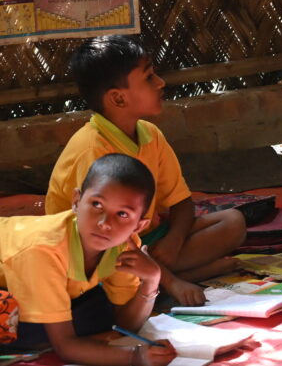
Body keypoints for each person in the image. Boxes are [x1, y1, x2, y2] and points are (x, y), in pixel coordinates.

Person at [45, 36, 246, 306]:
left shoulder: (150, 134)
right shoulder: (91, 150)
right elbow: (102, 238)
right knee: (111, 275)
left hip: (146, 240)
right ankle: (171, 279)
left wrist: (174, 241)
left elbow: (181, 202)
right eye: (149, 77)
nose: (160, 82)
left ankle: (163, 276)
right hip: (98, 249)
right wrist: (174, 283)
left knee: (233, 222)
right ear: (118, 98)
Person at [2, 154, 176, 365]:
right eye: (96, 204)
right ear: (76, 201)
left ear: (138, 226)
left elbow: (125, 325)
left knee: (99, 315)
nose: (105, 223)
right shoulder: (43, 250)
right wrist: (135, 357)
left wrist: (151, 281)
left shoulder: (123, 245)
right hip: (12, 286)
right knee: (35, 329)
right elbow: (64, 346)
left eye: (122, 214)